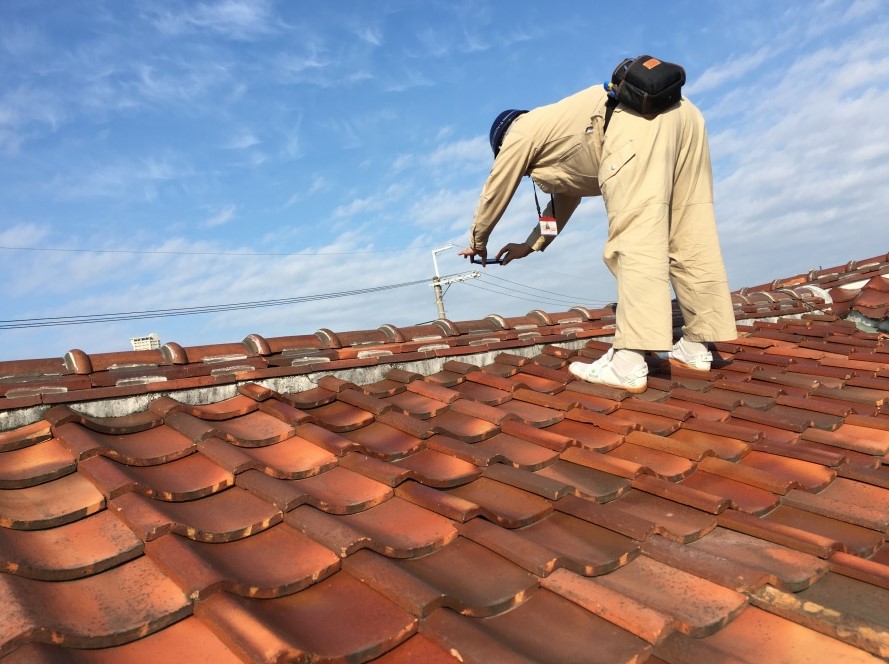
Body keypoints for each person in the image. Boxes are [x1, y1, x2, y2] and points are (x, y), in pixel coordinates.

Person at [458, 67, 737, 393]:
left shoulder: (519, 132)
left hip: (634, 123)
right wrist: (529, 244)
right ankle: (697, 345)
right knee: (690, 230)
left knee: (636, 236)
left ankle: (629, 361)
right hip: (685, 116)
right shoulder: (560, 128)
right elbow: (565, 199)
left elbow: (496, 186)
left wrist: (478, 240)